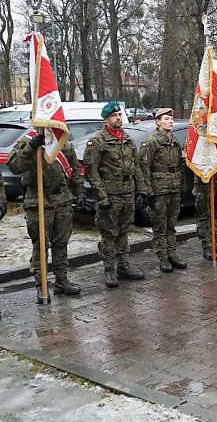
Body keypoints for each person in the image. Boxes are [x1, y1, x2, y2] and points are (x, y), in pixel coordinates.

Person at [7, 128, 85, 300]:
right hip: (38, 201)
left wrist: (80, 193)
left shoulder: (62, 141)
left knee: (61, 243)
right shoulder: (26, 141)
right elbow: (14, 166)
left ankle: (61, 281)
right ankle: (41, 286)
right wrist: (31, 147)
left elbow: (75, 167)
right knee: (41, 245)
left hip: (62, 200)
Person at [84, 101, 146, 287]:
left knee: (124, 232)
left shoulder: (126, 139)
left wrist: (141, 190)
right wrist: (102, 196)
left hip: (127, 193)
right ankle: (110, 270)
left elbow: (136, 166)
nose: (118, 118)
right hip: (110, 195)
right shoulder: (97, 141)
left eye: (119, 114)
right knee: (109, 234)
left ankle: (123, 266)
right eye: (114, 115)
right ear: (106, 119)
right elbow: (92, 171)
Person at [138, 108, 187, 273]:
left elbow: (179, 166)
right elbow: (143, 167)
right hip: (159, 190)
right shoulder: (151, 142)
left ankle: (172, 253)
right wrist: (147, 191)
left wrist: (182, 185)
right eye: (166, 119)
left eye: (171, 118)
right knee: (160, 225)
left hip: (173, 188)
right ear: (158, 122)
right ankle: (162, 257)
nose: (170, 121)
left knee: (172, 225)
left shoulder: (174, 140)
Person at [193, 159, 217, 260]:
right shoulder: (199, 142)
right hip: (205, 178)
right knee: (204, 214)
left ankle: (215, 243)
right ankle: (207, 245)